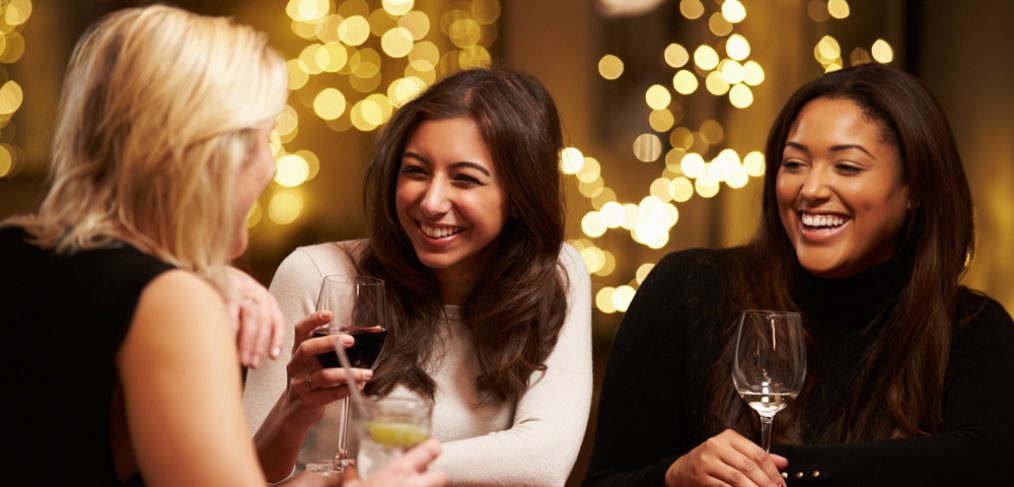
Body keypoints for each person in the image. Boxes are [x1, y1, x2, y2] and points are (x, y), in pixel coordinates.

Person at [0, 6, 445, 486]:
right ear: (215, 155)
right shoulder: (168, 303)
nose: (272, 167)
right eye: (266, 137)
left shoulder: (15, 246)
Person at [584, 63, 1014, 486]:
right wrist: (674, 477)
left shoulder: (969, 328)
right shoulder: (688, 289)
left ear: (915, 189)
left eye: (846, 167)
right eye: (794, 164)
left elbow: (986, 461)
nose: (809, 189)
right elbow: (606, 480)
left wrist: (787, 469)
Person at [244, 67, 593, 485]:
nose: (431, 202)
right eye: (416, 171)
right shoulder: (317, 274)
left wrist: (368, 471)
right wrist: (293, 411)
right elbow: (241, 475)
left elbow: (544, 461)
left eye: (465, 179)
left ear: (518, 197)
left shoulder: (555, 272)